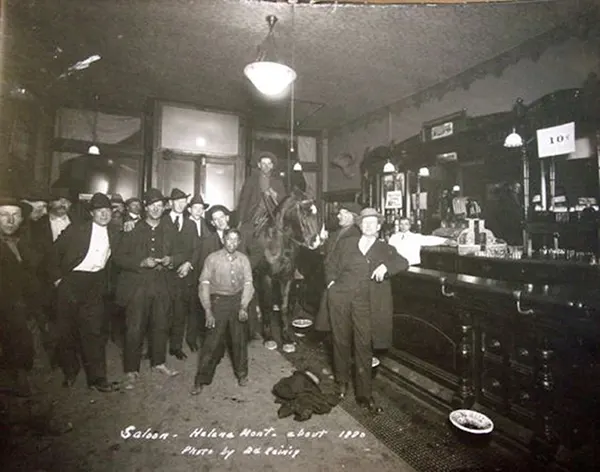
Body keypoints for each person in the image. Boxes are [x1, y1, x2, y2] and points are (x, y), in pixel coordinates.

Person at [325, 208, 409, 414]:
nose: (369, 226)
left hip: (365, 303)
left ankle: (364, 394)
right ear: (360, 225)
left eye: (373, 223)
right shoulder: (345, 244)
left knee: (364, 344)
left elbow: (403, 262)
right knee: (340, 340)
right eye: (365, 222)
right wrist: (331, 284)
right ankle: (341, 384)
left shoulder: (384, 248)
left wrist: (386, 268)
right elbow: (329, 263)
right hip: (340, 298)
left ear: (379, 227)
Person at [48, 193, 120, 392]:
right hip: (72, 281)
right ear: (92, 213)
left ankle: (97, 379)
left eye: (107, 210)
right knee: (66, 331)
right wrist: (57, 279)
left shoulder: (115, 231)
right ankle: (70, 371)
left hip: (96, 283)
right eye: (100, 211)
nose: (104, 214)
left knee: (94, 331)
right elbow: (53, 253)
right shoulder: (76, 230)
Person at [113, 188, 182, 390]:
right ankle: (131, 370)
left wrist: (172, 260)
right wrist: (141, 262)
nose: (156, 209)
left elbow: (181, 252)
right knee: (135, 327)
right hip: (138, 285)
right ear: (145, 207)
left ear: (164, 208)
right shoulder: (132, 229)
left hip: (162, 284)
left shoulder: (170, 229)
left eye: (160, 206)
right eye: (152, 206)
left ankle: (158, 363)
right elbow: (118, 257)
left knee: (161, 325)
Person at [191, 228, 254, 395]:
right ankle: (201, 379)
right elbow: (204, 284)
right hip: (218, 302)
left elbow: (248, 283)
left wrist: (243, 306)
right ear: (223, 240)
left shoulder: (243, 259)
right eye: (229, 239)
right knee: (211, 342)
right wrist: (208, 311)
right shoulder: (212, 259)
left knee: (239, 340)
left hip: (237, 301)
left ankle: (242, 374)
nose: (232, 243)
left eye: (235, 240)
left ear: (239, 242)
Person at [0, 196, 45, 396]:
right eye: (4, 215)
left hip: (22, 312)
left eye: (15, 215)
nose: (10, 220)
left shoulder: (24, 242)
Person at [315, 202, 362, 333]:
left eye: (342, 213)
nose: (338, 216)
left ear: (351, 216)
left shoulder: (356, 234)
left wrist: (334, 281)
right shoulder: (336, 233)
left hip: (341, 283)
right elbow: (328, 254)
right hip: (331, 280)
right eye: (339, 213)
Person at [164, 188, 197, 360]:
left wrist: (188, 264)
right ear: (170, 203)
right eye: (177, 201)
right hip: (164, 274)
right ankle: (156, 347)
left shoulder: (190, 224)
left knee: (180, 312)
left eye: (184, 201)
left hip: (184, 274)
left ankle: (176, 347)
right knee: (161, 312)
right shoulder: (162, 222)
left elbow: (195, 248)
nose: (181, 204)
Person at [185, 194, 211, 352]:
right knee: (189, 305)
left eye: (201, 208)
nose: (199, 211)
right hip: (189, 270)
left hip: (204, 270)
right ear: (189, 209)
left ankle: (200, 337)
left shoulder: (207, 225)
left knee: (202, 304)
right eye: (195, 208)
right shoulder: (184, 224)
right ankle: (189, 338)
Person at [388, 217, 453, 266]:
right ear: (399, 225)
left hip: (413, 266)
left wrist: (446, 241)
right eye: (401, 224)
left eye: (406, 224)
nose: (403, 226)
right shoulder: (393, 237)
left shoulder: (415, 237)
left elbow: (429, 239)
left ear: (409, 226)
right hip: (398, 266)